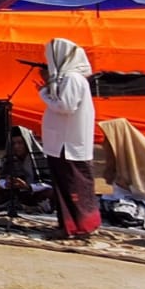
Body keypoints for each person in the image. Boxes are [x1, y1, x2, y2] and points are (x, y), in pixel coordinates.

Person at [38, 37, 100, 238]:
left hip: (69, 143)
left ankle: (79, 227)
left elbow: (66, 106)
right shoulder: (68, 79)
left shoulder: (73, 79)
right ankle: (69, 225)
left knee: (74, 186)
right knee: (64, 186)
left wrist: (43, 93)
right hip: (62, 142)